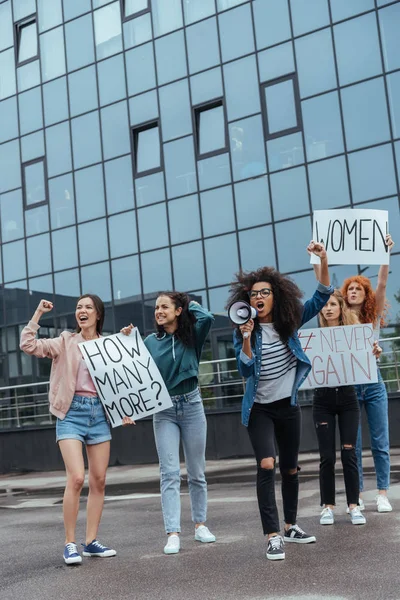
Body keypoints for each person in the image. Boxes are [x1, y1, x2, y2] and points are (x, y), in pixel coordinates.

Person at [227, 242, 333, 561]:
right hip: (259, 409)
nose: (258, 297)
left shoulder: (290, 320)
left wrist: (323, 259)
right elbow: (244, 368)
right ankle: (272, 535)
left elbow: (323, 294)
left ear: (277, 296)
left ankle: (290, 526)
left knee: (289, 469)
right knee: (266, 464)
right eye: (254, 294)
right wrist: (245, 337)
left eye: (265, 292)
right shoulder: (244, 330)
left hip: (287, 407)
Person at [20, 296, 118, 565]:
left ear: (98, 314)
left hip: (99, 414)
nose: (82, 311)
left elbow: (121, 382)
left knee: (98, 480)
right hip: (71, 414)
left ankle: (91, 542)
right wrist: (38, 313)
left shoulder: (109, 344)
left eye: (88, 307)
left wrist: (125, 409)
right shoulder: (65, 341)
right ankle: (70, 543)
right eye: (78, 308)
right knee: (76, 477)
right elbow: (28, 344)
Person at [121, 292, 216, 555]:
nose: (158, 311)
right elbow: (132, 374)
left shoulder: (193, 336)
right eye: (156, 308)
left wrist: (189, 305)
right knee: (170, 473)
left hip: (193, 406)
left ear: (178, 311)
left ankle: (200, 525)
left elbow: (206, 316)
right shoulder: (149, 341)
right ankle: (173, 533)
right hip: (163, 411)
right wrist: (127, 340)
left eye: (165, 307)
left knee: (197, 472)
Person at [314, 290, 382, 526]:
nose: (328, 308)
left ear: (340, 307)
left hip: (348, 398)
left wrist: (375, 354)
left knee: (349, 452)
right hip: (322, 400)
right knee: (326, 457)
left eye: (333, 304)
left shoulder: (355, 335)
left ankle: (354, 505)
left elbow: (367, 360)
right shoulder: (314, 338)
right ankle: (327, 506)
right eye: (325, 305)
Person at [340, 233, 395, 513]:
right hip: (350, 386)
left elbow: (383, 282)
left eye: (357, 289)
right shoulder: (338, 321)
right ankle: (357, 493)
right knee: (354, 445)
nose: (352, 292)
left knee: (380, 441)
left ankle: (382, 493)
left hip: (373, 384)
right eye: (349, 289)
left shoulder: (371, 320)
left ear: (365, 294)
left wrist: (384, 253)